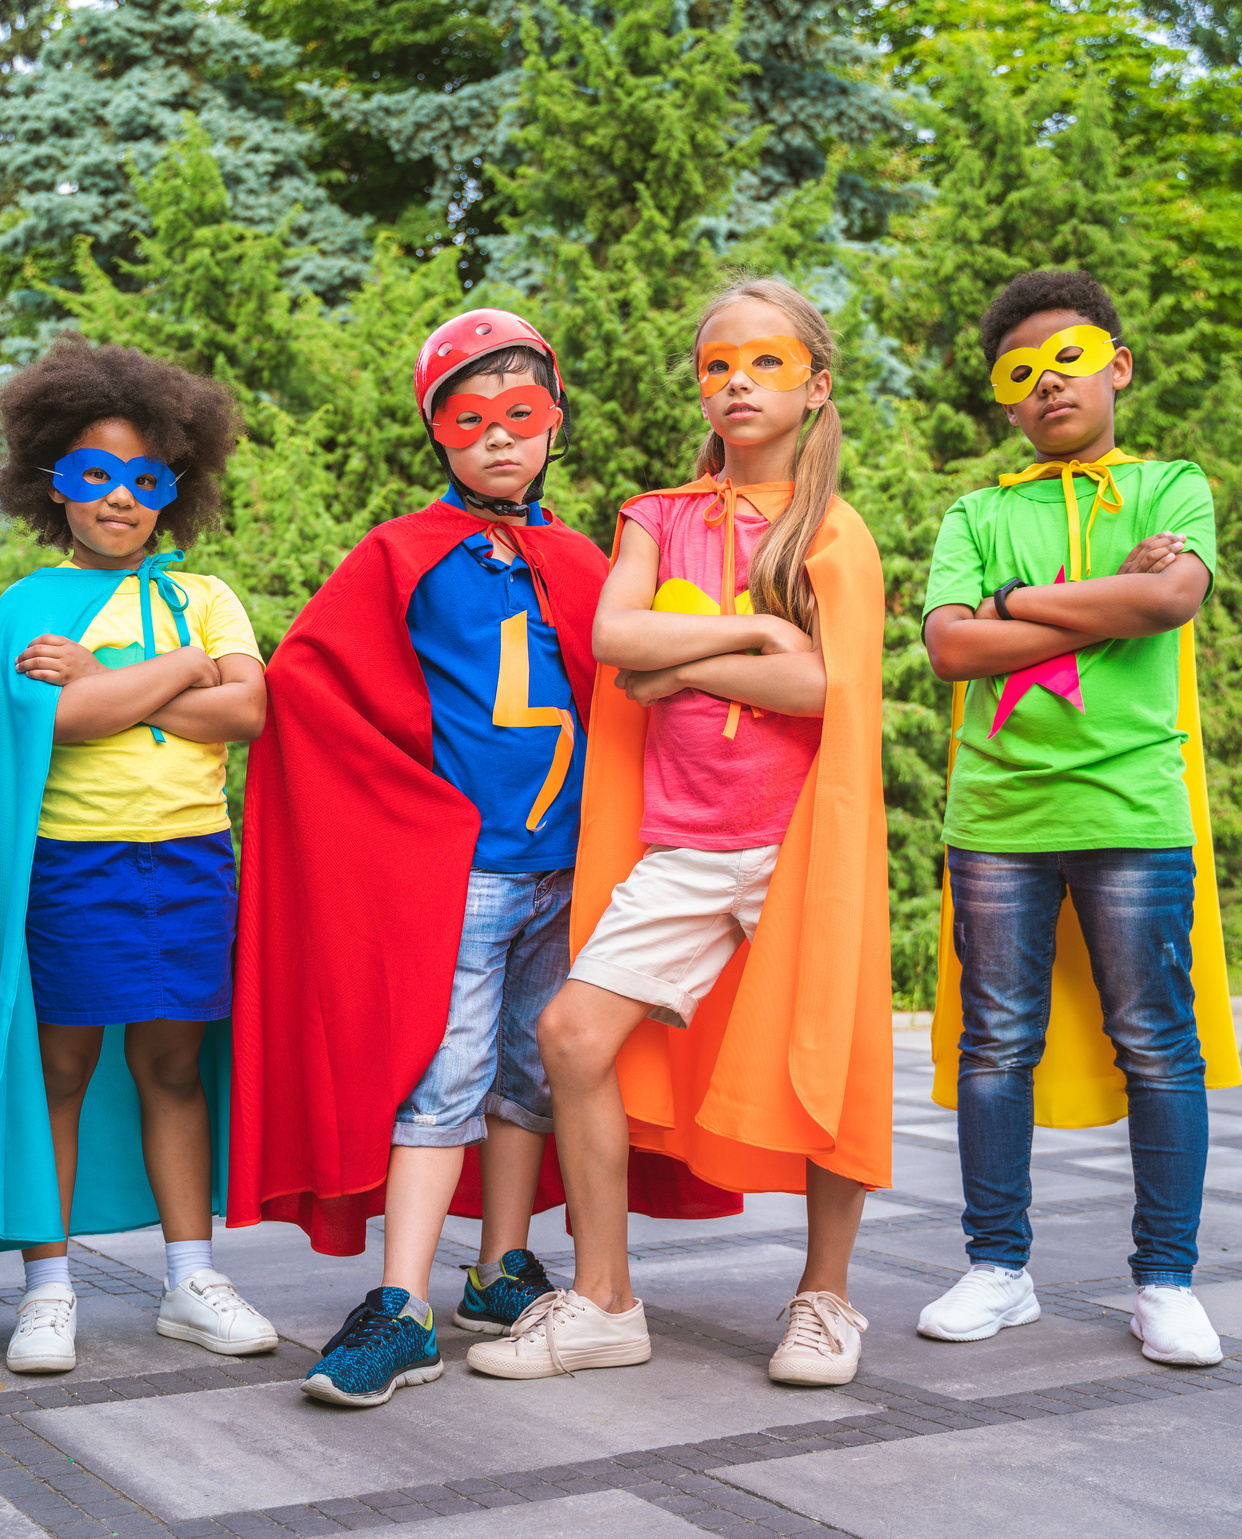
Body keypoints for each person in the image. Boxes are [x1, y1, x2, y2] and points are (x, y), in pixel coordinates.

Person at [232, 309, 710, 1410]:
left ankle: (499, 1272)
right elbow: (311, 681)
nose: (498, 438)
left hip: (570, 871)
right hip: (468, 867)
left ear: (555, 423)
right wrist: (404, 816)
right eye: (468, 419)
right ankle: (401, 1305)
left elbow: (636, 687)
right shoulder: (402, 550)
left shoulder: (587, 559)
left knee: (533, 1074)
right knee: (442, 1075)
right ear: (437, 434)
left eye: (521, 415)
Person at [469, 276, 893, 1388]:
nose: (739, 382)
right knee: (571, 1036)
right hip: (687, 847)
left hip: (798, 845)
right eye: (718, 365)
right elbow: (617, 637)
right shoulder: (659, 517)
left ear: (815, 384)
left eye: (765, 362)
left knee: (825, 1066)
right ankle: (604, 1299)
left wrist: (694, 653)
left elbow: (819, 690)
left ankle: (824, 1300)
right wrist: (754, 629)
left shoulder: (833, 532)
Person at [0, 335, 278, 1377]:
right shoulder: (35, 602)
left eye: (143, 478)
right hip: (71, 867)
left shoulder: (210, 595)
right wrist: (179, 676)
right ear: (54, 488)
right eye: (93, 476)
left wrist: (129, 672)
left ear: (177, 484)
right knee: (61, 1072)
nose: (118, 498)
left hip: (189, 864)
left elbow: (249, 709)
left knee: (174, 1066)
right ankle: (49, 1287)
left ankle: (189, 1277)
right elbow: (65, 721)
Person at [918, 267, 1238, 1367]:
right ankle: (998, 1269)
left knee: (1157, 1044)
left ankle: (1167, 1280)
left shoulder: (1170, 487)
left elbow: (1172, 598)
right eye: (1022, 372)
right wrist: (1093, 602)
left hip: (1134, 806)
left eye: (1071, 358)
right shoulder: (977, 511)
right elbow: (952, 648)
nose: (1049, 383)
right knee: (995, 1044)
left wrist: (1008, 606)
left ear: (1119, 366)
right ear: (1004, 401)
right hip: (998, 815)